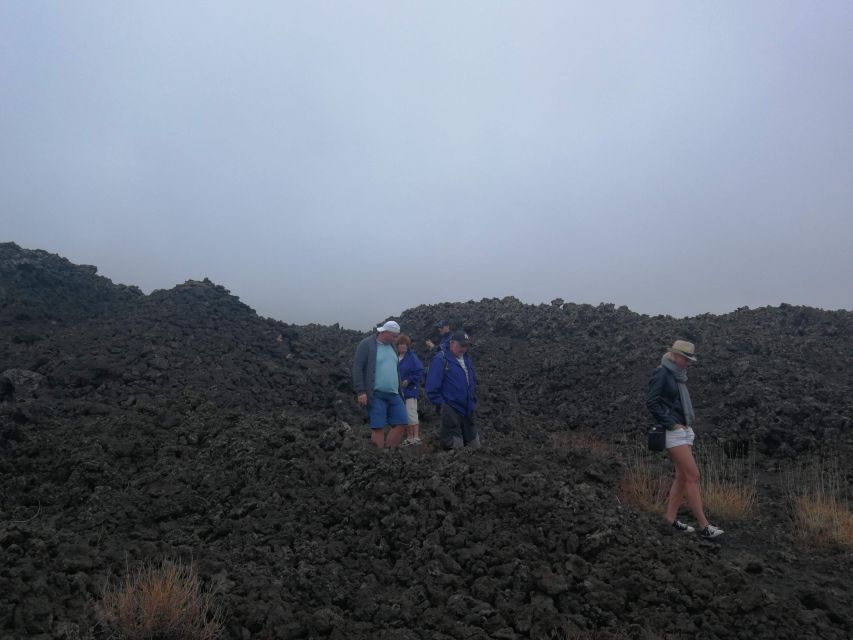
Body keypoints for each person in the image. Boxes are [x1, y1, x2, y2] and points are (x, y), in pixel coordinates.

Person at [646, 340, 724, 539]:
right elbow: (651, 402)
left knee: (682, 477)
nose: (687, 363)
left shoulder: (678, 375)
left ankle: (670, 519)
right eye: (685, 358)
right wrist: (671, 423)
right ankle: (704, 526)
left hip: (685, 429)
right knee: (693, 476)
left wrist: (683, 425)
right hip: (673, 431)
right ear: (674, 355)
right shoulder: (662, 373)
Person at [352, 320, 407, 449]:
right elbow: (357, 367)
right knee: (378, 426)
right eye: (393, 336)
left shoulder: (392, 346)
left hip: (394, 393)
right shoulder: (367, 344)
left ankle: (387, 452)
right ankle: (379, 456)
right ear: (384, 332)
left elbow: (395, 368)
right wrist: (361, 391)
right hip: (376, 394)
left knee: (402, 423)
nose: (395, 339)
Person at [425, 330, 480, 449]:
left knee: (475, 447)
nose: (464, 348)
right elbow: (431, 388)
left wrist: (472, 401)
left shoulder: (466, 359)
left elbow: (470, 381)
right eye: (461, 345)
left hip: (468, 410)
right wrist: (444, 406)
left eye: (466, 346)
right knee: (456, 450)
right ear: (452, 342)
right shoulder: (441, 359)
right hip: (452, 410)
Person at [396, 334, 425, 446]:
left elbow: (419, 371)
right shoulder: (396, 358)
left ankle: (416, 437)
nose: (402, 347)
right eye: (400, 344)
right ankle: (409, 437)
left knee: (411, 413)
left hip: (410, 390)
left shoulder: (412, 357)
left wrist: (408, 380)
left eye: (404, 344)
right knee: (404, 415)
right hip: (400, 391)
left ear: (408, 346)